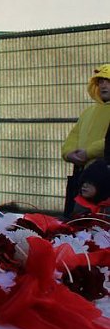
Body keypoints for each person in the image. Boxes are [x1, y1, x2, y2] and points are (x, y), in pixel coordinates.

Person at [62, 64, 110, 217]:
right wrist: (68, 153)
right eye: (100, 81)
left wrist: (88, 152)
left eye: (108, 81)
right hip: (82, 176)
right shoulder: (88, 112)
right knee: (76, 220)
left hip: (104, 177)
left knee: (100, 223)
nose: (103, 85)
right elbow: (74, 135)